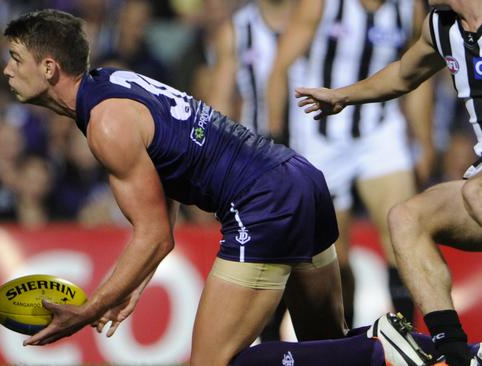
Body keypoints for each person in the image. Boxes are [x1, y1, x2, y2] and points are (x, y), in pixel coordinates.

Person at [0, 9, 437, 365]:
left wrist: (88, 310)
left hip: (260, 202)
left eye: (16, 58)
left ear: (50, 67)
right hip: (299, 177)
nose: (7, 69)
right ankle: (440, 350)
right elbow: (162, 204)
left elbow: (154, 234)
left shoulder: (105, 124)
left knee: (213, 362)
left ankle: (380, 345)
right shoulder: (113, 82)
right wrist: (133, 283)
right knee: (325, 348)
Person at [295, 1, 482, 364]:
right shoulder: (440, 27)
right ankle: (454, 354)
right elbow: (402, 74)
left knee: (476, 192)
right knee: (406, 218)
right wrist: (341, 96)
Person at [267, 0, 433, 325]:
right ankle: (348, 340)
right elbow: (280, 66)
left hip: (379, 129)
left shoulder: (409, 7)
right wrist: (275, 137)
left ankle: (410, 337)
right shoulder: (322, 4)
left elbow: (417, 72)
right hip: (321, 135)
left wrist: (424, 139)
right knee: (335, 259)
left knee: (403, 231)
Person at [206, 0, 300, 340]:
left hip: (318, 152)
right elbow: (219, 97)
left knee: (328, 261)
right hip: (259, 160)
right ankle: (273, 346)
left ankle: (335, 347)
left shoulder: (315, 13)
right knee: (269, 258)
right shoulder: (235, 29)